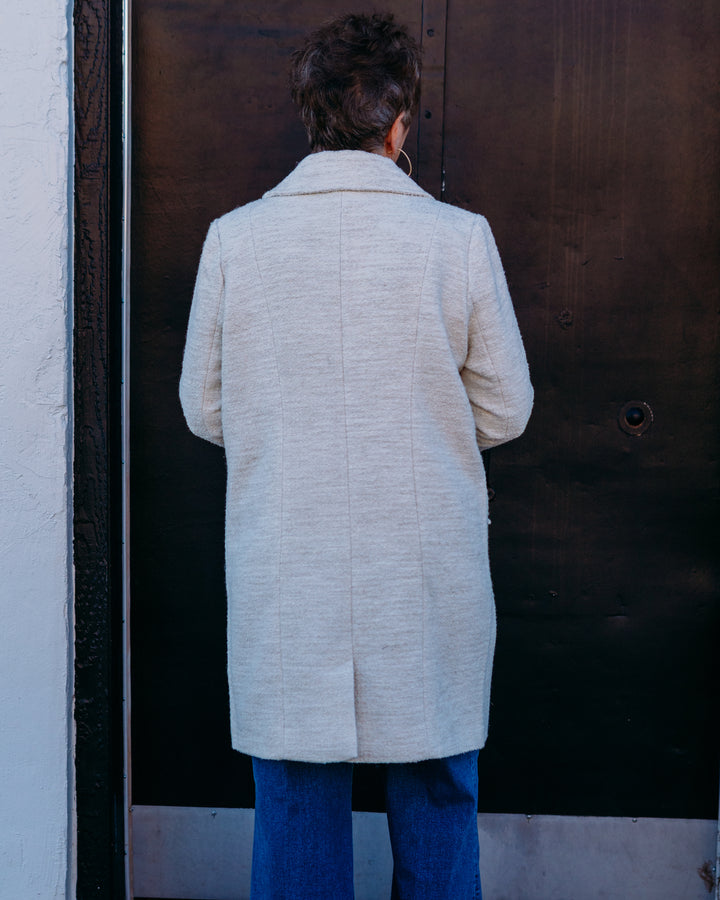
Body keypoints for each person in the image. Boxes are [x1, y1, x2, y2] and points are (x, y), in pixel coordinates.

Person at [180, 12, 533, 899]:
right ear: (398, 124)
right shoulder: (458, 240)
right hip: (424, 569)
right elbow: (508, 410)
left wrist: (288, 437)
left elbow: (203, 406)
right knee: (438, 789)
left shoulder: (235, 239)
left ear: (312, 120)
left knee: (296, 796)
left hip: (287, 567)